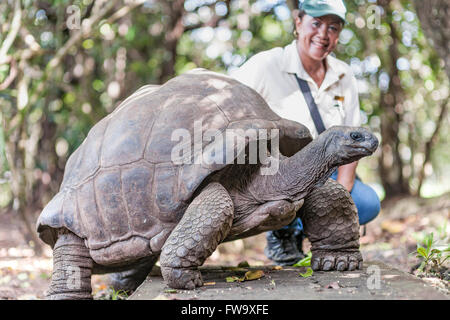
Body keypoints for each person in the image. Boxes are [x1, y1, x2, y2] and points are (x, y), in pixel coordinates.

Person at [230, 0, 381, 266]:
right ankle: (282, 232)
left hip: (325, 172)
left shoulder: (344, 75)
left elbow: (351, 141)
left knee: (366, 203)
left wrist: (342, 196)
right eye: (316, 23)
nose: (324, 34)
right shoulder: (267, 65)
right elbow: (227, 103)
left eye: (333, 27)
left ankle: (300, 231)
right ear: (298, 23)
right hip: (274, 172)